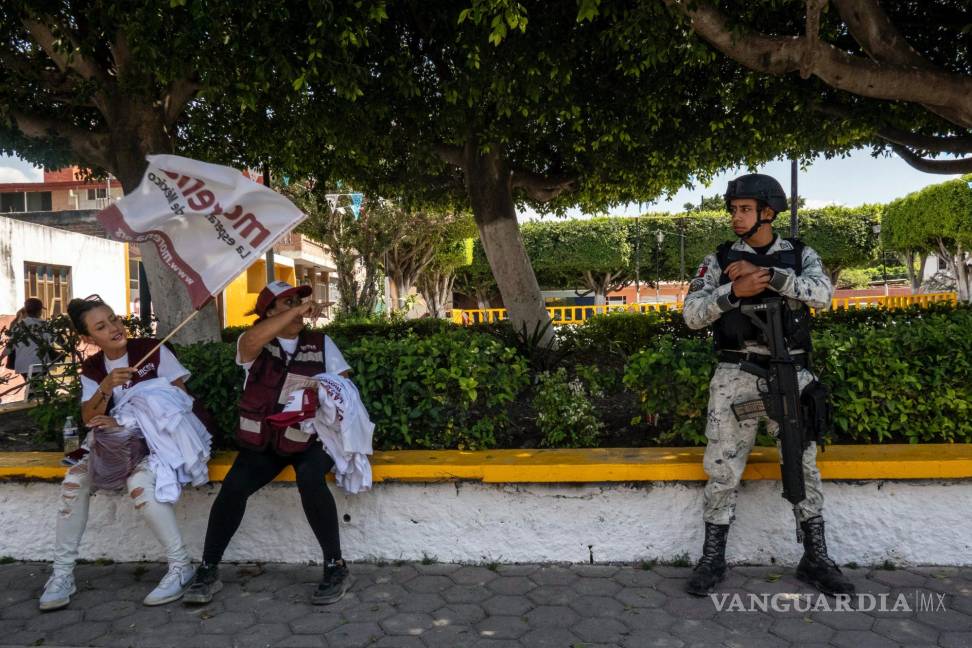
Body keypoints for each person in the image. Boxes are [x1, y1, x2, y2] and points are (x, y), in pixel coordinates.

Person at [682, 174, 854, 597]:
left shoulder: (799, 255)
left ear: (768, 212)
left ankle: (815, 557)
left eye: (744, 209)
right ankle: (712, 558)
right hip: (736, 374)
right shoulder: (718, 258)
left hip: (792, 373)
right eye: (734, 209)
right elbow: (691, 314)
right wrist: (732, 292)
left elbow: (822, 295)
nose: (736, 216)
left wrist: (771, 276)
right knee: (722, 468)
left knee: (803, 465)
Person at [184, 280, 352, 606]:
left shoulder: (321, 342)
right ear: (270, 311)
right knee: (234, 486)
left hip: (309, 439)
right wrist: (297, 311)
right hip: (265, 442)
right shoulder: (254, 343)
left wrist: (322, 393)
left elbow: (344, 387)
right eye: (287, 302)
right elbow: (251, 340)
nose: (299, 307)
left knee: (310, 477)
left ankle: (335, 566)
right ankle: (208, 569)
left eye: (300, 300)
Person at [39, 296, 205, 611]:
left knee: (140, 485)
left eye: (114, 319)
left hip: (160, 442)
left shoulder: (152, 350)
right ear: (89, 339)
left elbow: (182, 399)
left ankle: (181, 566)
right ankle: (62, 574)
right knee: (74, 481)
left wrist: (128, 417)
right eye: (101, 326)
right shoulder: (93, 368)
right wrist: (106, 386)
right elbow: (89, 418)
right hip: (118, 446)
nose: (114, 328)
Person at [3, 298, 53, 384]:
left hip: (24, 366)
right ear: (40, 311)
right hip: (41, 364)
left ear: (26, 311)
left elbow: (10, 346)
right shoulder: (46, 325)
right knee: (36, 389)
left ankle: (35, 396)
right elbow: (54, 341)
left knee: (34, 389)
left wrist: (1, 356)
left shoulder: (19, 326)